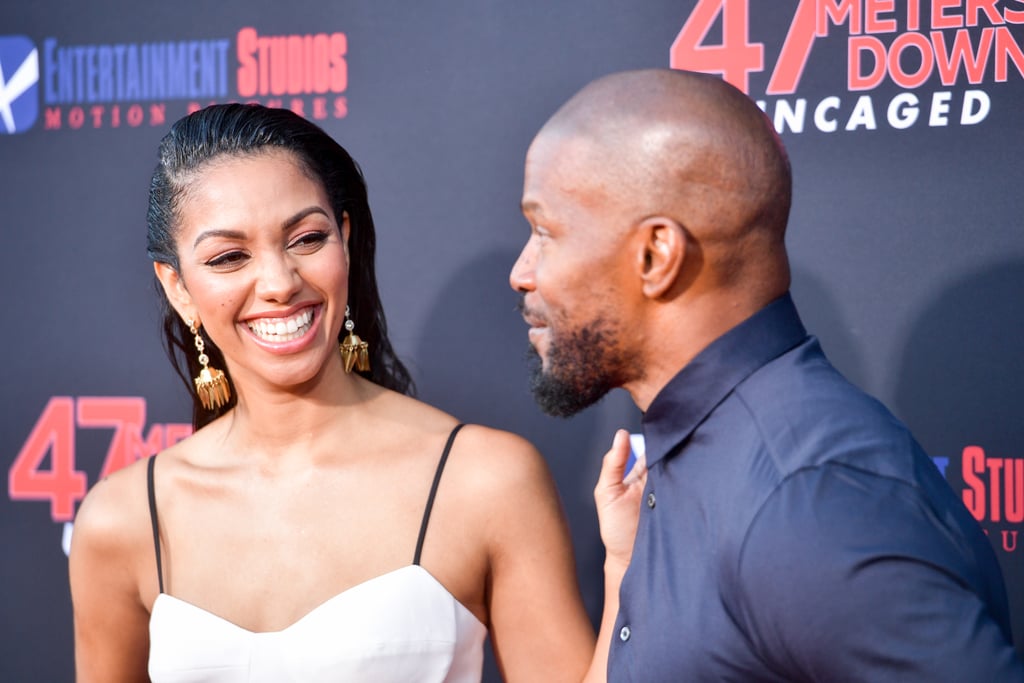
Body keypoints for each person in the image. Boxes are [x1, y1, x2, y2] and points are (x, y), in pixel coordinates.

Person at [510, 69, 1024, 681]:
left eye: (545, 231)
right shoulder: (701, 450)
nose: (523, 271)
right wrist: (624, 567)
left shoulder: (808, 499)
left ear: (655, 256)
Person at [68, 103, 599, 682]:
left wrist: (622, 571)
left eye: (306, 238)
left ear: (343, 240)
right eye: (229, 257)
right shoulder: (122, 521)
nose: (278, 282)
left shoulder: (485, 479)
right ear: (178, 288)